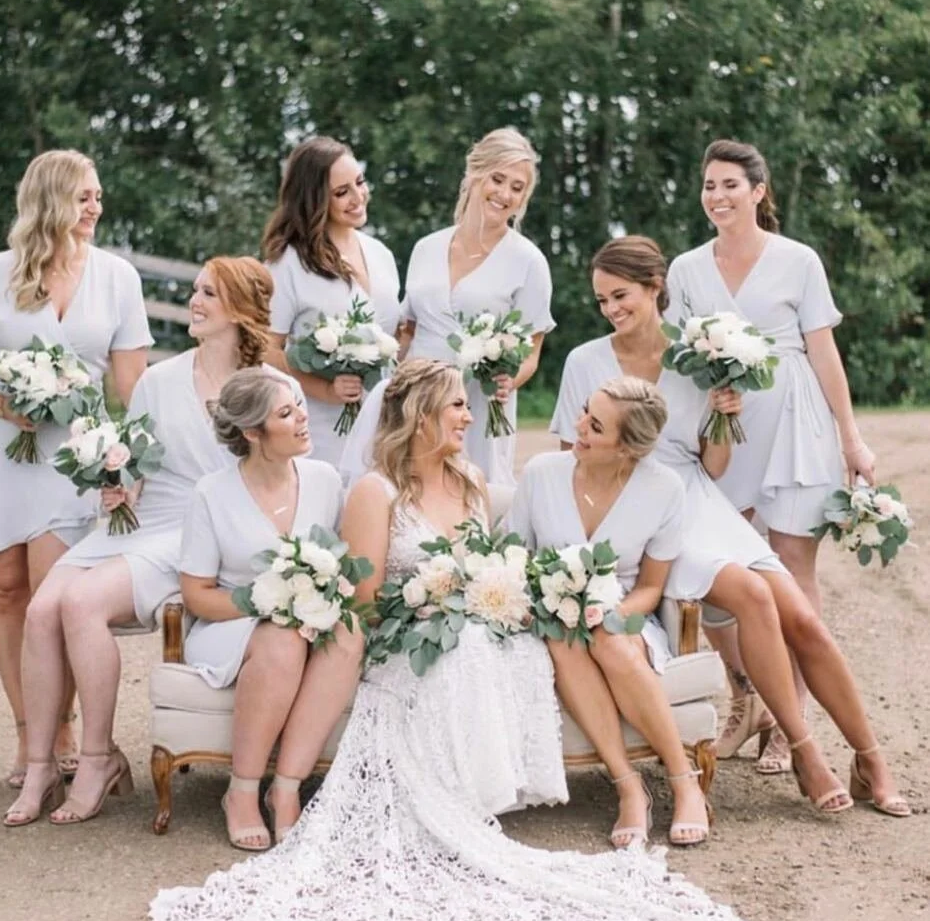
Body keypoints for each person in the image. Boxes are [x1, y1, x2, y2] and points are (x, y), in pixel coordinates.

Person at [150, 360, 745, 921]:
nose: (469, 415)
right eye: (457, 405)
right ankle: (388, 798)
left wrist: (487, 595)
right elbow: (366, 603)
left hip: (474, 622)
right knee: (461, 650)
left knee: (500, 646)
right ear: (421, 416)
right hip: (406, 634)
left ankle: (484, 794)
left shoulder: (471, 480)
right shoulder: (374, 492)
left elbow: (491, 564)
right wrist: (430, 600)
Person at [550, 235, 908, 818]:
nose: (611, 309)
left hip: (698, 497)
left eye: (620, 296)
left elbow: (713, 466)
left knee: (803, 620)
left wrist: (724, 417)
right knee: (751, 595)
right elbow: (575, 459)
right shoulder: (584, 362)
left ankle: (871, 760)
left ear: (655, 288)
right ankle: (805, 750)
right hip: (636, 508)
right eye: (602, 300)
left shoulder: (696, 360)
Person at [4, 257, 301, 826]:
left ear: (239, 309)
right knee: (42, 610)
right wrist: (116, 487)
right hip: (144, 521)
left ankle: (97, 759)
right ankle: (40, 766)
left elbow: (283, 473)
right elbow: (136, 467)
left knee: (81, 603)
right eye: (196, 290)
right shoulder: (158, 382)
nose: (194, 301)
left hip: (198, 531)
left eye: (208, 293)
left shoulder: (274, 388)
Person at [0, 149, 151, 791]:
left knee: (53, 594)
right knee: (6, 588)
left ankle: (63, 731)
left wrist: (136, 454)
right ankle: (28, 732)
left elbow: (132, 385)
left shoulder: (117, 278)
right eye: (84, 197)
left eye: (98, 196)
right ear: (51, 201)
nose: (96, 207)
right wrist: (5, 405)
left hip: (73, 455)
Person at [666, 138, 872, 772]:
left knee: (791, 569)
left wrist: (851, 437)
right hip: (724, 426)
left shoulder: (798, 260)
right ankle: (746, 696)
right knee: (715, 568)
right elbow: (678, 357)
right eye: (709, 185)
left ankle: (791, 722)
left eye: (731, 184)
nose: (718, 196)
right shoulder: (686, 270)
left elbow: (823, 351)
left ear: (758, 192)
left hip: (794, 423)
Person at [512, 378, 711, 848]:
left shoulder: (664, 488)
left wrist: (610, 612)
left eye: (596, 426)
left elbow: (651, 587)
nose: (578, 426)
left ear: (627, 448)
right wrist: (539, 603)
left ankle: (685, 782)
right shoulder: (541, 474)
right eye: (585, 411)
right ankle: (629, 787)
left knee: (610, 641)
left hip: (627, 612)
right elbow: (514, 557)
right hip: (551, 617)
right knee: (563, 637)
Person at [178, 367, 362, 849]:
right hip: (229, 624)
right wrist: (266, 603)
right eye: (286, 413)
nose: (303, 418)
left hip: (307, 620)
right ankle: (241, 792)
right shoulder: (211, 493)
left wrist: (320, 598)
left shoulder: (324, 480)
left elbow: (342, 563)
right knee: (282, 641)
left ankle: (286, 788)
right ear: (252, 433)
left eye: (299, 406)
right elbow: (196, 594)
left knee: (349, 632)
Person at [340, 127, 554, 488]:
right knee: (404, 490)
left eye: (517, 188)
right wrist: (374, 368)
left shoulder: (528, 261)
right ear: (473, 174)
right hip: (415, 400)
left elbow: (532, 352)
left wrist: (508, 381)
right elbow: (407, 331)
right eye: (497, 179)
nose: (505, 194)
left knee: (470, 493)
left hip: (477, 405)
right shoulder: (426, 248)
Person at [262, 136, 401, 468]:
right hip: (320, 427)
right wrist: (325, 389)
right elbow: (264, 350)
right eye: (341, 192)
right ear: (314, 200)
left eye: (360, 182)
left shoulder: (380, 254)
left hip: (382, 423)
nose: (358, 197)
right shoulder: (288, 264)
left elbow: (392, 335)